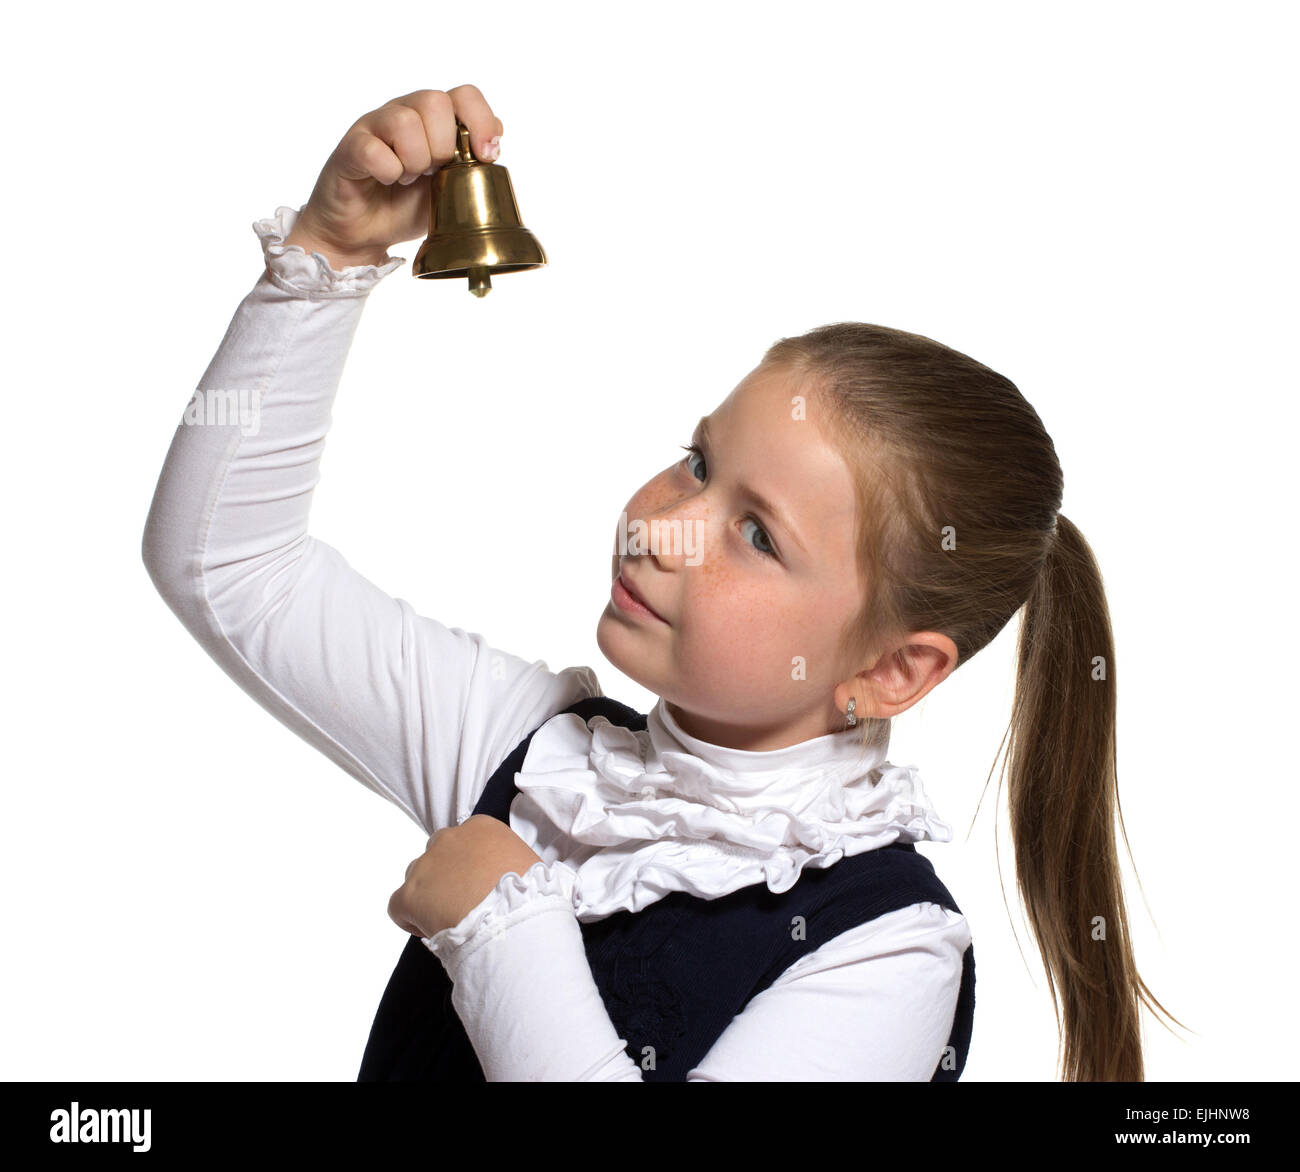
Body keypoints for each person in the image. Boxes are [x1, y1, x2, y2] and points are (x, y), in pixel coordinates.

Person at [142, 84, 1175, 1081]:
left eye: (758, 534)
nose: (663, 529)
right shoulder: (532, 751)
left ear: (894, 670)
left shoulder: (889, 950)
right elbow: (230, 564)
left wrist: (502, 930)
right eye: (696, 461)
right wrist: (331, 250)